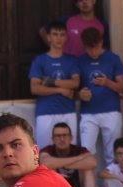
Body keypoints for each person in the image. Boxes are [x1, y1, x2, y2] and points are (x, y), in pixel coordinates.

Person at [78, 27, 123, 170]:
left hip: (111, 110)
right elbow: (75, 87)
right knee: (86, 152)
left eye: (97, 47)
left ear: (101, 42)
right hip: (88, 112)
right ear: (84, 46)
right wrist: (80, 93)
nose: (93, 52)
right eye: (89, 49)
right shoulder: (80, 61)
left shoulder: (113, 59)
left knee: (112, 153)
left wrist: (107, 82)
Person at [29, 19, 80, 150]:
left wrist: (52, 82)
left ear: (66, 38)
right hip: (46, 112)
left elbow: (75, 82)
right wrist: (61, 90)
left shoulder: (71, 60)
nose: (59, 38)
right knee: (45, 152)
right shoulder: (40, 60)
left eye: (62, 34)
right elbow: (35, 88)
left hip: (68, 111)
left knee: (71, 150)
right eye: (55, 34)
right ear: (48, 37)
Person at [38, 122, 97, 187]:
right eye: (58, 136)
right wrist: (79, 159)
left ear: (71, 138)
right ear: (53, 139)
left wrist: (59, 163)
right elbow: (45, 163)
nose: (62, 139)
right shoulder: (48, 150)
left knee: (88, 170)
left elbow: (93, 163)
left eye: (65, 135)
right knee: (49, 170)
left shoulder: (78, 149)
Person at [39, 0, 110, 57]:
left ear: (94, 1)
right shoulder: (67, 20)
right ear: (77, 4)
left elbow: (105, 49)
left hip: (89, 68)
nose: (84, 2)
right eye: (80, 0)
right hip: (67, 66)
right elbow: (43, 31)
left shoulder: (102, 25)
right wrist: (55, 49)